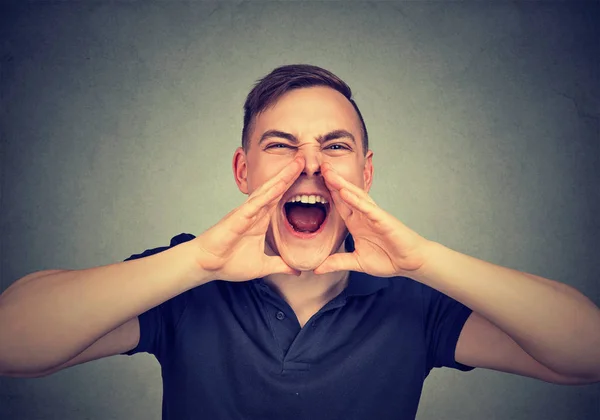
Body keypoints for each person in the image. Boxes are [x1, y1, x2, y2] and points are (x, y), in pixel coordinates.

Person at [0, 64, 598, 420]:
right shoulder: (186, 278)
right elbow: (13, 343)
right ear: (243, 171)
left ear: (366, 173)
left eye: (334, 147)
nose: (309, 166)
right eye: (281, 145)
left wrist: (424, 260)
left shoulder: (414, 297)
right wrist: (198, 263)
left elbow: (586, 356)